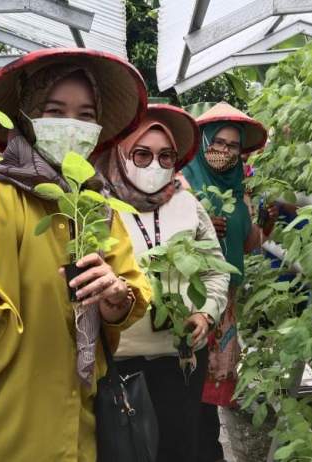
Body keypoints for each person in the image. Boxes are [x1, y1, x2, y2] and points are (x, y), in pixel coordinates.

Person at [0, 49, 152, 462]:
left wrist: (115, 296)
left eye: (86, 114)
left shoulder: (95, 207)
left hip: (76, 430)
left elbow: (129, 294)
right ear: (26, 117)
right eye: (54, 111)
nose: (71, 125)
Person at [95, 104, 231, 462]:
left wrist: (205, 313)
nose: (154, 164)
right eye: (142, 154)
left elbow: (216, 269)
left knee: (178, 446)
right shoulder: (98, 206)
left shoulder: (187, 204)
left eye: (165, 155)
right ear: (121, 153)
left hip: (181, 358)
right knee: (125, 449)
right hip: (118, 360)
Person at [180, 102, 273, 462]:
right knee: (189, 376)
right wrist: (200, 228)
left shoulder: (238, 191)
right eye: (218, 142)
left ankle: (207, 446)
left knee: (212, 379)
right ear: (203, 142)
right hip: (192, 295)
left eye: (233, 145)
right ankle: (195, 447)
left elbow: (247, 243)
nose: (225, 151)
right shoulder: (183, 182)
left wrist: (266, 225)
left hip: (225, 299)